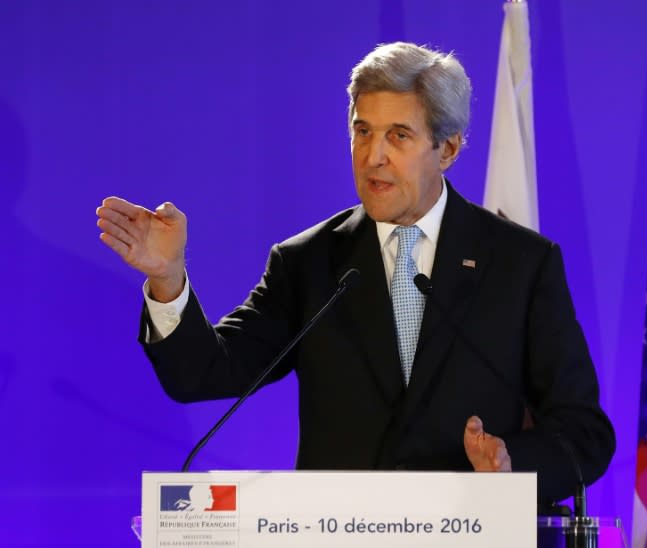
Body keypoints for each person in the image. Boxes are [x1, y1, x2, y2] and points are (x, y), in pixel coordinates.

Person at [96, 42, 614, 503]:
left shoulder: (519, 263)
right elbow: (204, 373)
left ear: (449, 149)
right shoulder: (309, 261)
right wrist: (168, 277)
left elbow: (584, 433)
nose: (374, 157)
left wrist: (509, 464)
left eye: (399, 136)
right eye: (362, 131)